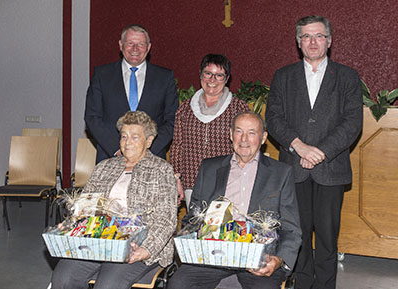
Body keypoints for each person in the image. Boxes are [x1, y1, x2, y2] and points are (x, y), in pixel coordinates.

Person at [265, 15, 363, 289]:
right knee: (297, 235)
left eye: (318, 36)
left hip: (330, 169)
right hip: (294, 168)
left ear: (329, 41)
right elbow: (273, 118)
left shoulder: (347, 77)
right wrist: (299, 146)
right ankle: (303, 284)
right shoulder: (283, 76)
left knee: (328, 239)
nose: (313, 42)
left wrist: (320, 151)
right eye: (306, 36)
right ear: (298, 43)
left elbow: (353, 122)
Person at [168, 111, 302, 289]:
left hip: (258, 258)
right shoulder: (209, 168)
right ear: (231, 135)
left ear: (263, 138)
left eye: (252, 133)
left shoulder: (281, 173)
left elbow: (291, 229)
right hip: (213, 254)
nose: (244, 139)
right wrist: (187, 236)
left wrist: (278, 260)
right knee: (178, 283)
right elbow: (192, 218)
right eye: (239, 131)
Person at [51, 111, 178, 289]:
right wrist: (70, 225)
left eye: (135, 137)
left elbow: (166, 219)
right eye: (124, 136)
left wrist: (146, 249)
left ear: (148, 141)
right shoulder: (104, 167)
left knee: (108, 285)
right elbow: (85, 206)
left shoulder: (161, 169)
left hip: (138, 243)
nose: (127, 142)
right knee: (63, 277)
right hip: (98, 239)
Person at [85, 24, 179, 163]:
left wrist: (146, 150)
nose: (135, 49)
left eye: (141, 44)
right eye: (130, 43)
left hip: (151, 159)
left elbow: (173, 120)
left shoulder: (165, 77)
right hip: (111, 158)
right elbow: (92, 117)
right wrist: (118, 149)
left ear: (148, 47)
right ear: (121, 45)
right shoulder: (102, 75)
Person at [169, 54, 249, 205]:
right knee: (196, 227)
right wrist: (176, 179)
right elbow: (177, 147)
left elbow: (247, 146)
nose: (212, 80)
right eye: (208, 73)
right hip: (191, 183)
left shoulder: (239, 108)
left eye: (219, 75)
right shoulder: (185, 108)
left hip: (227, 182)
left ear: (227, 79)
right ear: (200, 74)